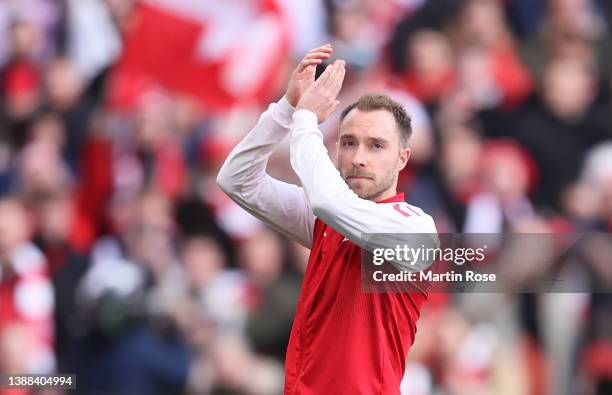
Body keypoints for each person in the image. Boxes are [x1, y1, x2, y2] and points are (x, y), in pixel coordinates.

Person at [217, 44, 437, 394]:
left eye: (376, 146)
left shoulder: (415, 229)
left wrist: (305, 119)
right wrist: (286, 109)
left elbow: (327, 201)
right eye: (348, 143)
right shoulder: (328, 219)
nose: (359, 157)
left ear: (403, 159)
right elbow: (236, 179)